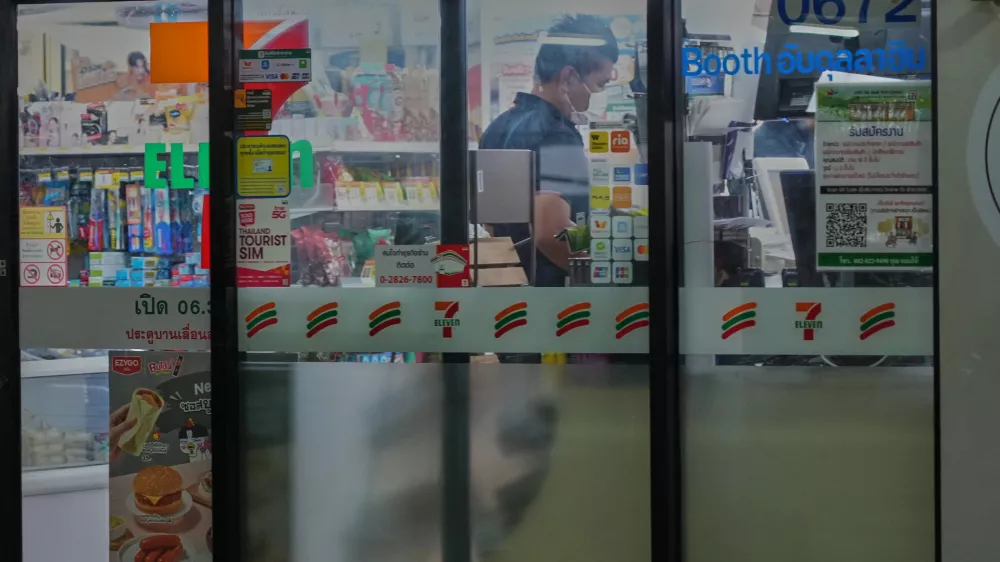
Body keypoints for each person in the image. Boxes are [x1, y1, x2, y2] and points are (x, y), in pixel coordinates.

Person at [479, 14, 618, 287]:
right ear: (567, 77)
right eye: (600, 84)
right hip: (553, 298)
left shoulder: (498, 128)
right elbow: (550, 231)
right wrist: (604, 262)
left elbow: (493, 228)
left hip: (508, 290)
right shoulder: (558, 135)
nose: (598, 93)